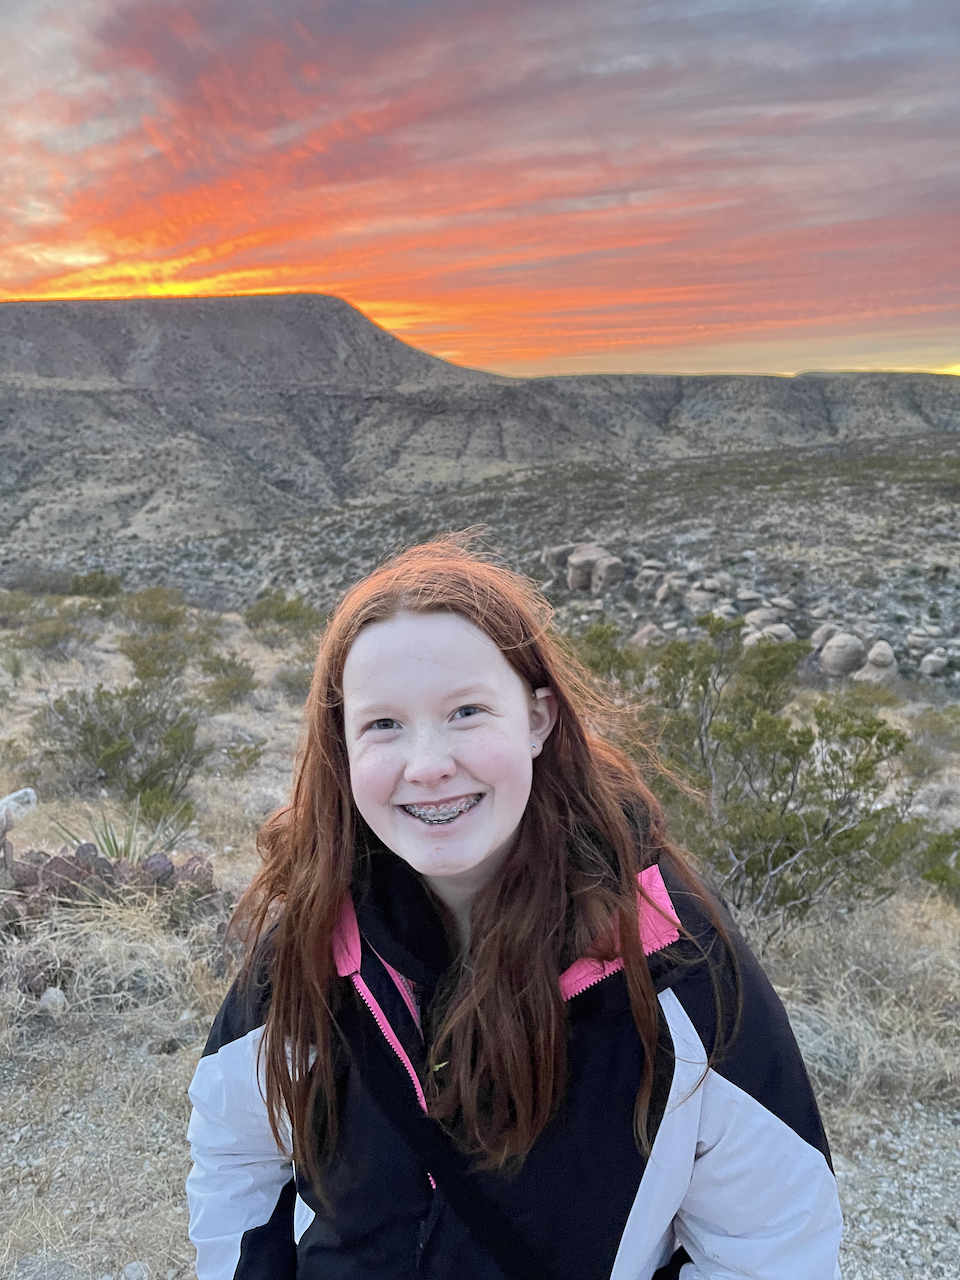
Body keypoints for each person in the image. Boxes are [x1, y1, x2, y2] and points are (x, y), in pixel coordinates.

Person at [186, 537, 843, 1280]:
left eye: (466, 711)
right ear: (341, 746)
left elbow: (773, 1244)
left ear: (537, 720)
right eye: (383, 724)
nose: (428, 764)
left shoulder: (668, 959)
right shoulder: (312, 938)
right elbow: (236, 1151)